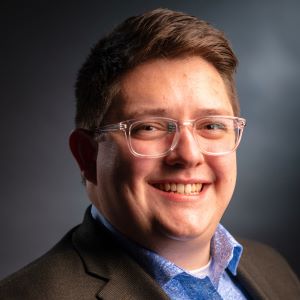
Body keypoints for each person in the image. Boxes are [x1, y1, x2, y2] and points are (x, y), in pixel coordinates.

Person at [0, 8, 299, 300]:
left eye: (211, 125)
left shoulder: (273, 268)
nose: (189, 154)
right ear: (87, 156)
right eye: (149, 128)